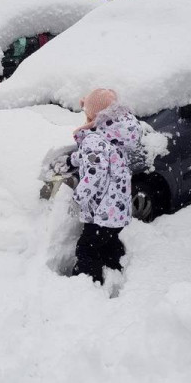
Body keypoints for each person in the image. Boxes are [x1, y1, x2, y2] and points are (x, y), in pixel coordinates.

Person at [53, 88, 142, 284]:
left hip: (102, 211)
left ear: (95, 114)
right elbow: (95, 158)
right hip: (117, 210)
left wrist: (78, 198)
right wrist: (71, 161)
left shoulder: (95, 139)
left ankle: (87, 283)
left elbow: (95, 172)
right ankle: (115, 269)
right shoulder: (114, 134)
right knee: (109, 242)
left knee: (86, 249)